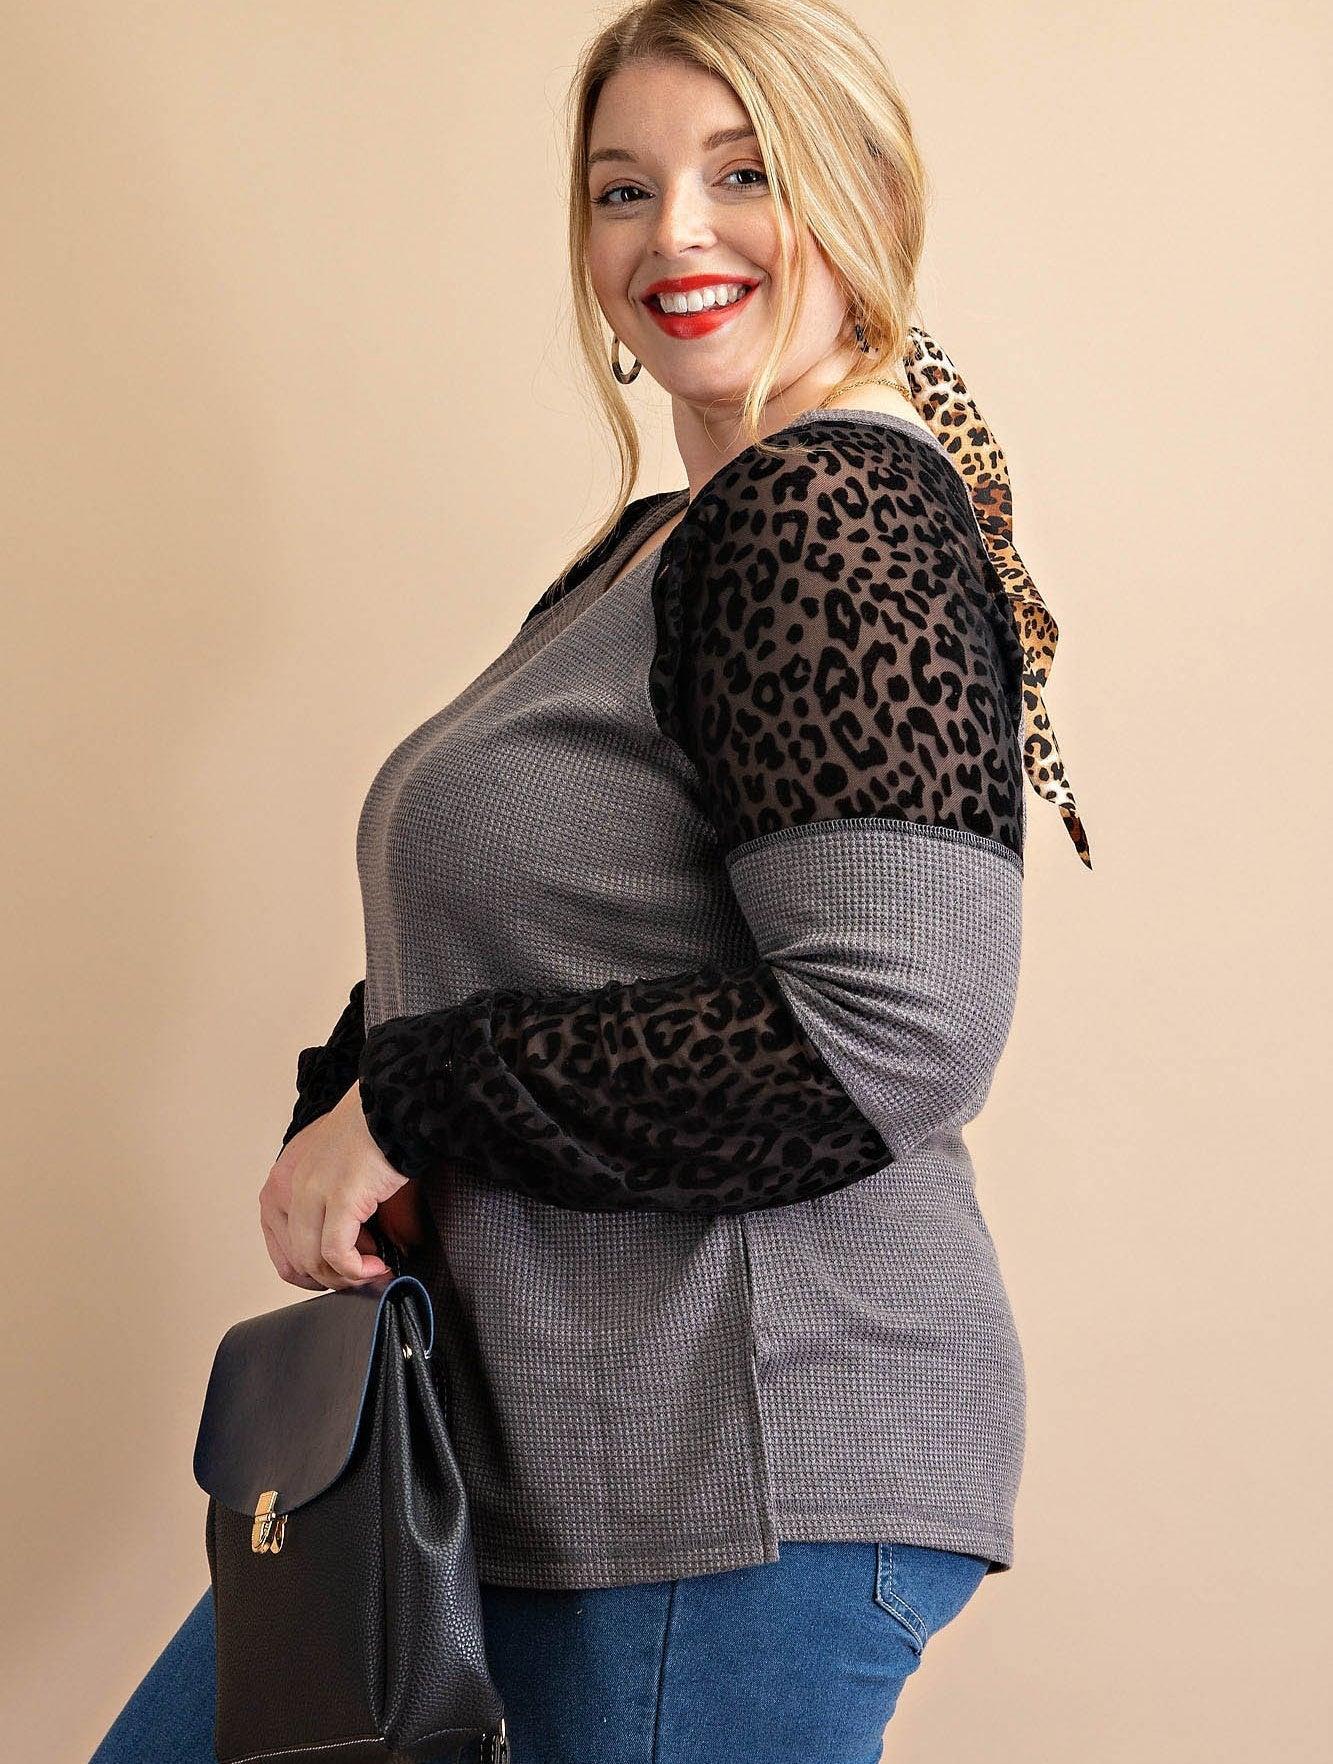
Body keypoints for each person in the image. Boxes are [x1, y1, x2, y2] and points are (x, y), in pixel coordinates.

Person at [90, 2, 1091, 1760]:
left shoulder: (826, 513)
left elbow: (889, 1034)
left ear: (865, 197)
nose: (675, 233)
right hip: (527, 1448)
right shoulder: (656, 545)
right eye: (624, 189)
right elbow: (562, 918)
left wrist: (411, 1103)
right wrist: (359, 1104)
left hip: (730, 1467)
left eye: (743, 173)